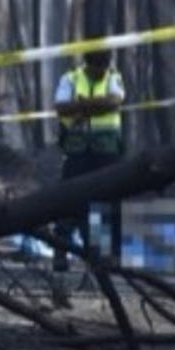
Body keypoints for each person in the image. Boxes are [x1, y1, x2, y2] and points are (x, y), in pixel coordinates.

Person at [51, 49, 125, 273]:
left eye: (105, 65)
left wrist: (82, 106)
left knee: (105, 204)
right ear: (88, 65)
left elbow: (114, 102)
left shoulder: (113, 77)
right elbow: (61, 107)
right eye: (98, 67)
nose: (103, 71)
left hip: (106, 150)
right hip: (77, 150)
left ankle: (102, 256)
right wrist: (96, 105)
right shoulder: (70, 78)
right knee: (67, 202)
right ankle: (61, 253)